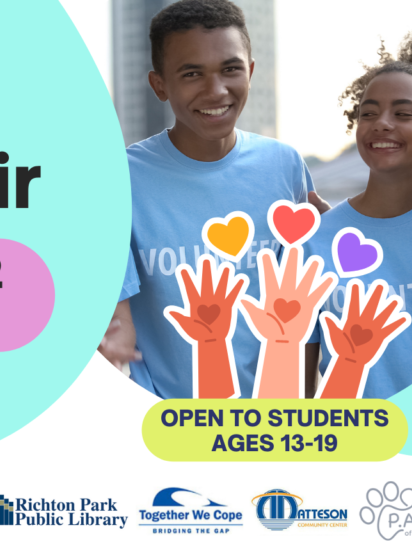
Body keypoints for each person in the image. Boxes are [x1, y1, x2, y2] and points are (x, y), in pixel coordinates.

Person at [100, 0, 318, 399]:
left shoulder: (285, 165)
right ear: (159, 85)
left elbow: (305, 308)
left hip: (267, 427)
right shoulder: (119, 180)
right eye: (192, 73)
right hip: (165, 427)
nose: (216, 90)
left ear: (251, 71)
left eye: (231, 69)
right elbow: (112, 318)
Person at [303, 25, 412, 399]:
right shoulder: (311, 244)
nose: (382, 123)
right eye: (369, 113)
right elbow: (294, 388)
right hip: (353, 448)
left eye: (403, 113)